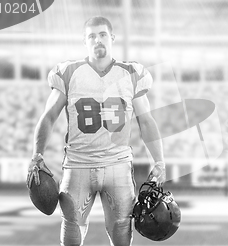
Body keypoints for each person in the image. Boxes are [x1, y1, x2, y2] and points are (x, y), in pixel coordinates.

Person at [26, 16, 166, 246]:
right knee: (70, 237)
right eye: (91, 36)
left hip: (118, 165)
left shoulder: (131, 73)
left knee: (122, 236)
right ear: (85, 41)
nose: (97, 40)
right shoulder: (69, 72)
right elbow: (49, 116)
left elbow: (146, 121)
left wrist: (159, 161)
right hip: (78, 164)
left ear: (112, 38)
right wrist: (37, 155)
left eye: (102, 34)